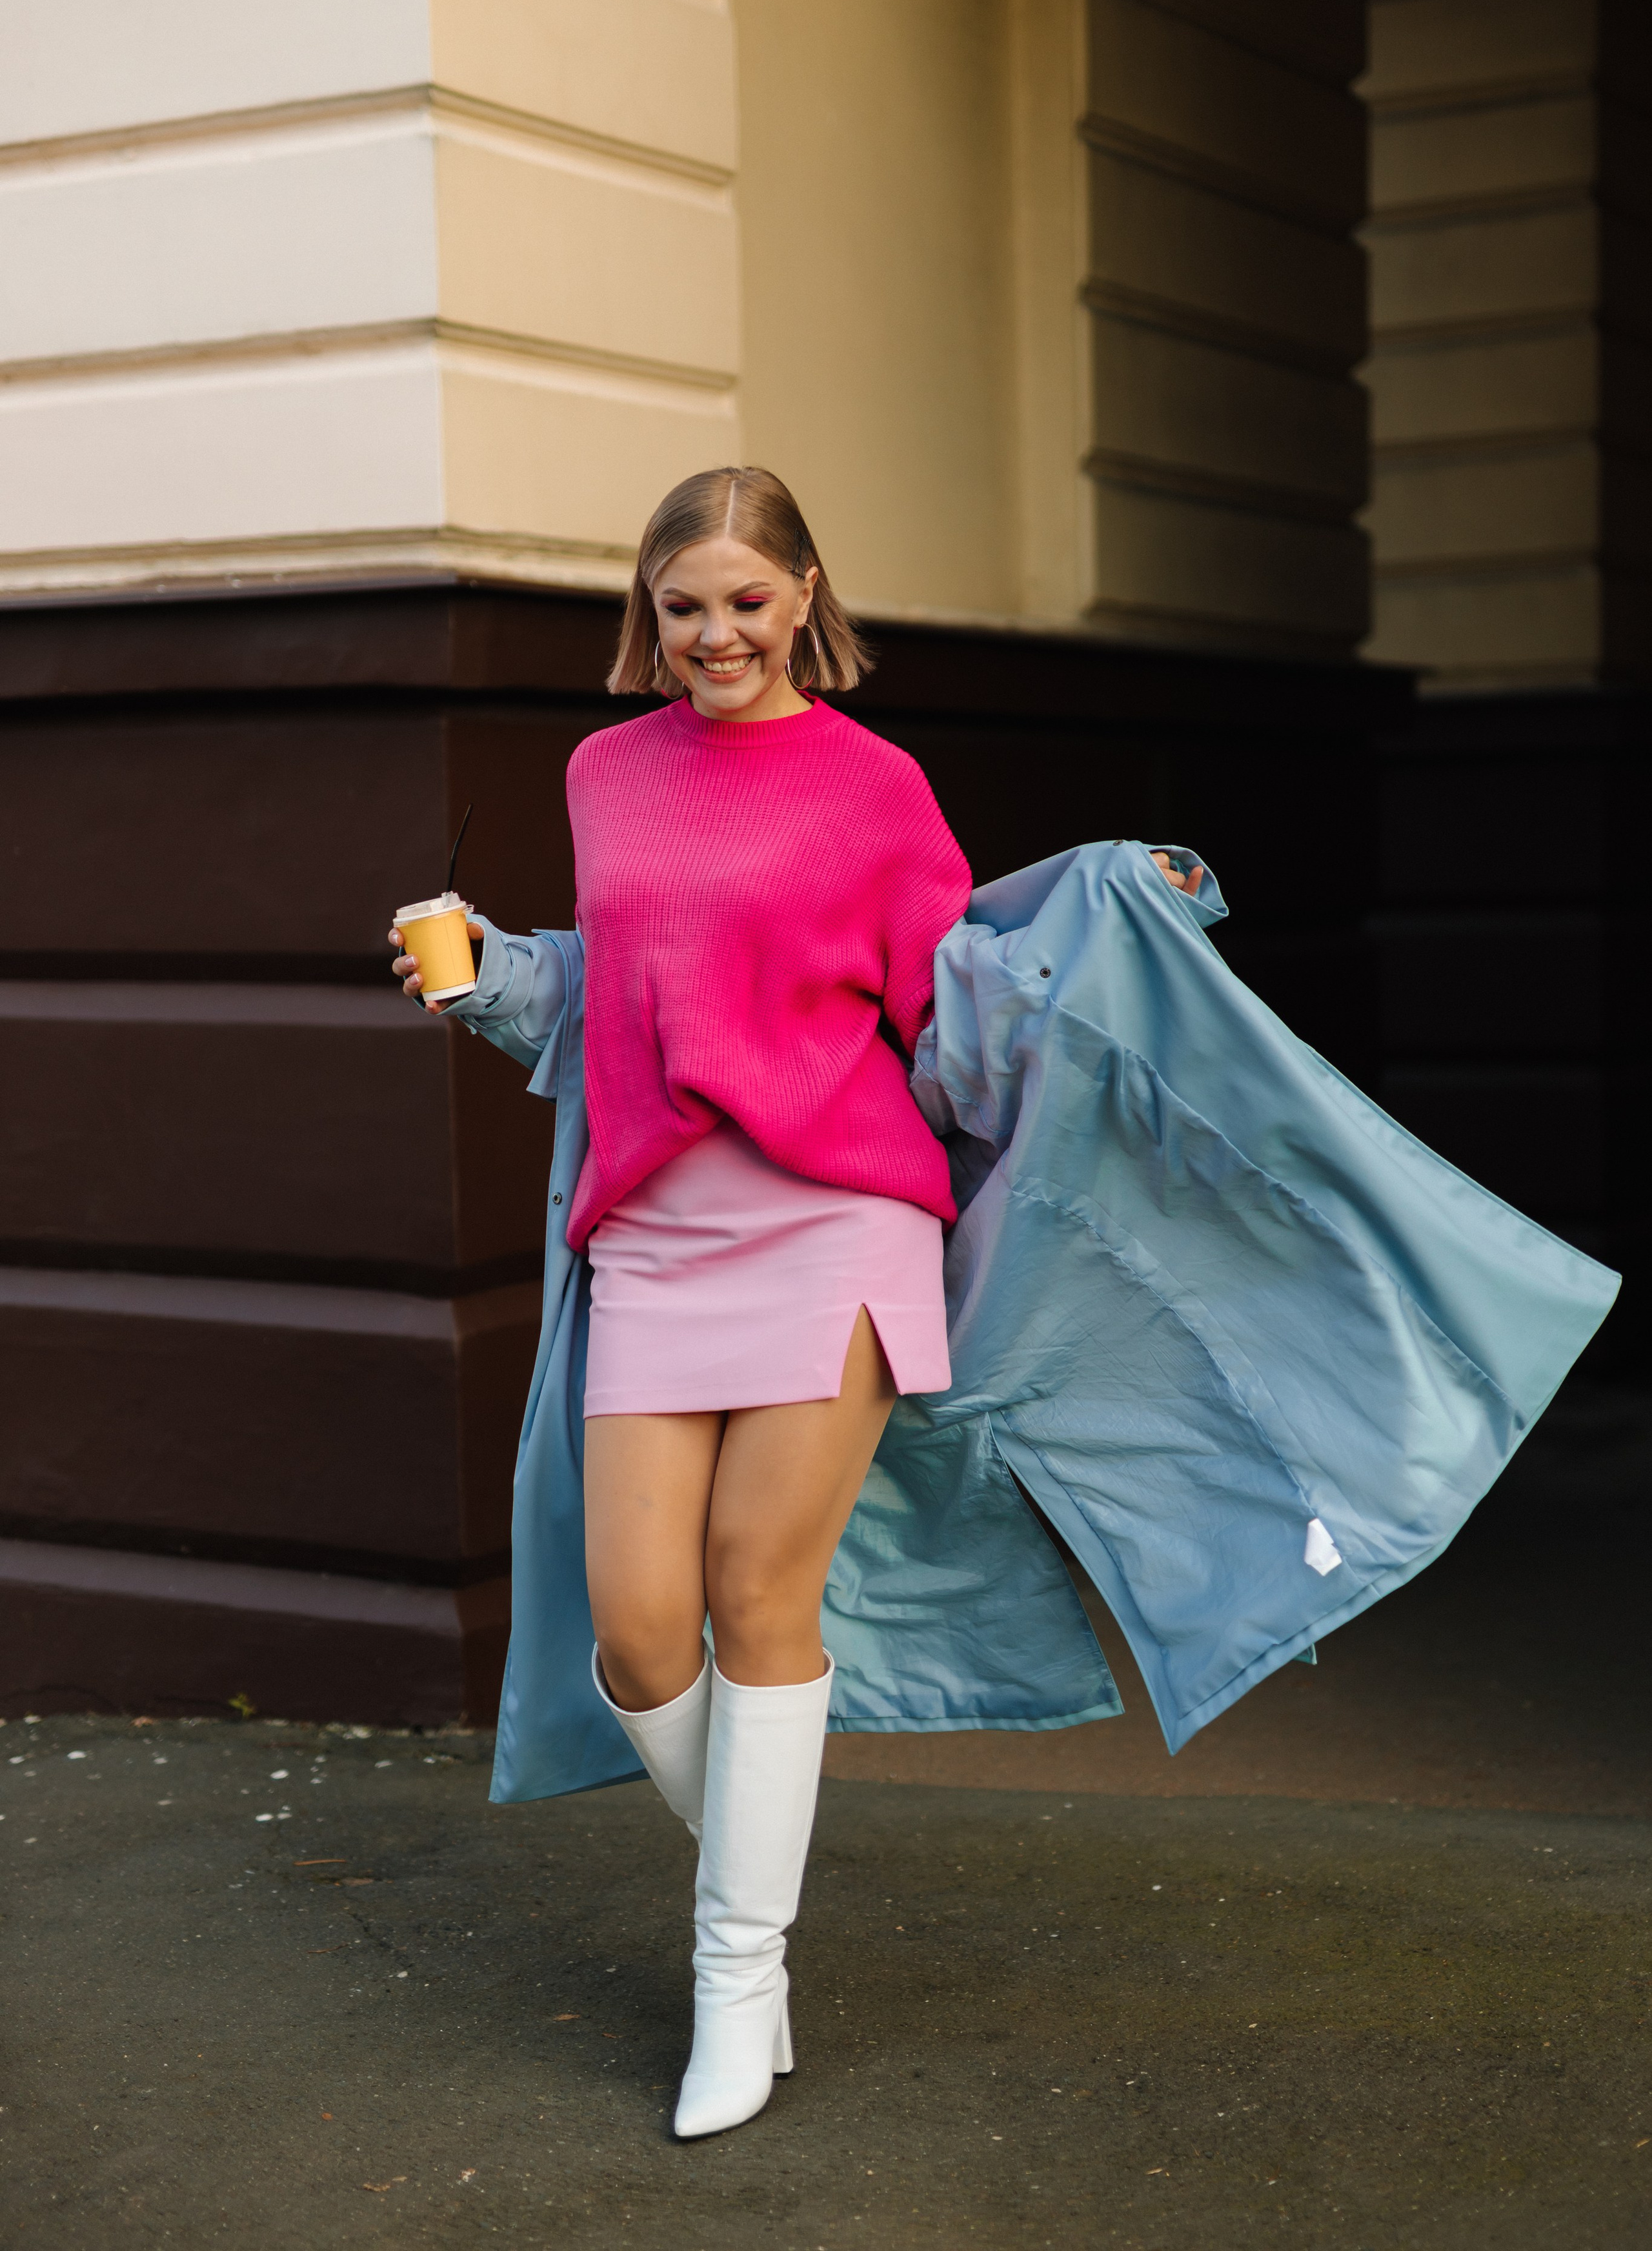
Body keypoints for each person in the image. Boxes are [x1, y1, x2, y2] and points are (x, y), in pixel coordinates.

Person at [392, 466, 1616, 2143]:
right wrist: (490, 973)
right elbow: (631, 984)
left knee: (757, 1591)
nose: (716, 636)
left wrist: (1115, 913)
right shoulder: (606, 772)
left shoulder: (876, 784)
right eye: (683, 608)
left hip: (838, 1218)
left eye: (747, 602)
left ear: (805, 595)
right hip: (657, 1236)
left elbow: (960, 989)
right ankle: (755, 1891)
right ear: (646, 614)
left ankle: (737, 1975)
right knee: (638, 1634)